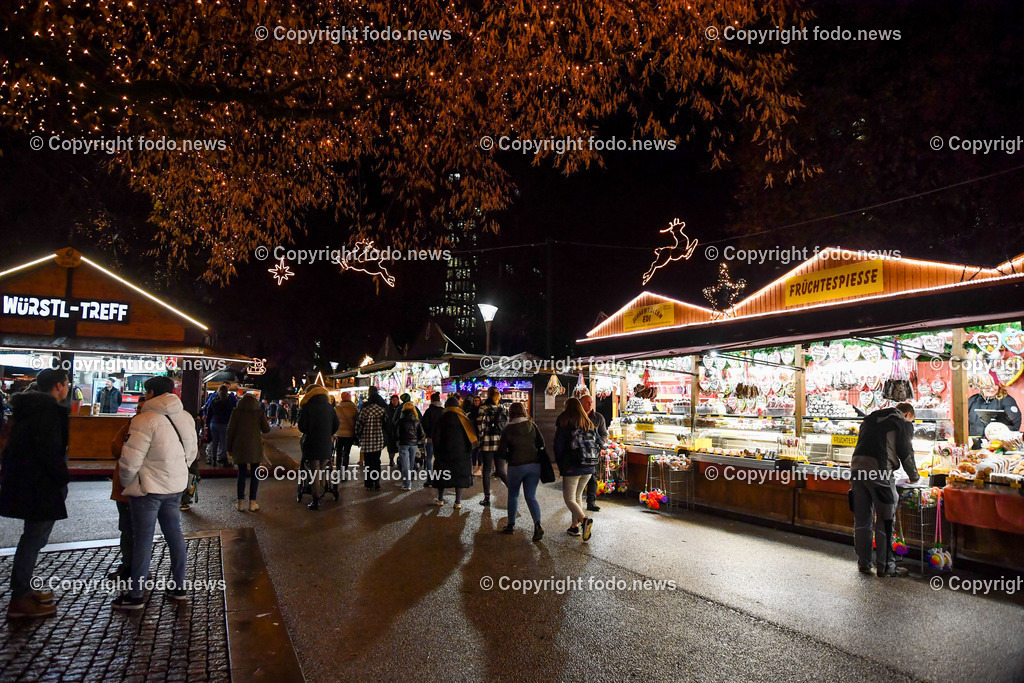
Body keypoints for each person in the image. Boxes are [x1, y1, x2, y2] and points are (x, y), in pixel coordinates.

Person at [113, 376, 198, 610]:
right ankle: (179, 586)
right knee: (174, 534)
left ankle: (136, 594)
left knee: (142, 539)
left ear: (150, 393)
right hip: (174, 488)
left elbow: (129, 461)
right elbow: (191, 454)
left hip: (148, 489)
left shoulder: (144, 420)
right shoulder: (186, 417)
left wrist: (130, 483)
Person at [1, 368, 70, 619]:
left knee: (32, 537)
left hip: (24, 479)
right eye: (67, 383)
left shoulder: (25, 408)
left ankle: (24, 589)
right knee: (33, 539)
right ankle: (19, 598)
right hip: (42, 483)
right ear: (60, 386)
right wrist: (62, 478)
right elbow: (50, 450)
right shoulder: (49, 411)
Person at [850, 402, 919, 578]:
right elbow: (906, 452)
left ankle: (864, 563)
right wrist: (914, 477)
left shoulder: (870, 418)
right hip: (879, 472)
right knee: (886, 520)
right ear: (908, 414)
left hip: (857, 470)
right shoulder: (902, 422)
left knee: (862, 520)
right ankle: (886, 566)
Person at [495, 402, 546, 541]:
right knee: (531, 496)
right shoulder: (532, 425)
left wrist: (507, 458)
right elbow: (541, 444)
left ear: (510, 413)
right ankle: (537, 525)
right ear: (524, 411)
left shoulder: (507, 429)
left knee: (513, 495)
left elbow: (502, 451)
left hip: (516, 466)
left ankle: (511, 525)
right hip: (534, 466)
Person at [109, 395, 146, 580]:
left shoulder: (139, 428)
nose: (138, 412)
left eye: (142, 408)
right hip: (124, 488)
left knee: (137, 531)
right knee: (127, 529)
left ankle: (136, 568)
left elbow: (118, 449)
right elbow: (115, 448)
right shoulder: (129, 426)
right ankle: (129, 564)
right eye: (137, 408)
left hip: (140, 487)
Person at [554, 397, 599, 541]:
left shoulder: (565, 421)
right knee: (578, 496)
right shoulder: (588, 422)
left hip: (572, 465)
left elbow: (558, 446)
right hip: (589, 465)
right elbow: (598, 442)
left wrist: (560, 464)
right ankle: (575, 526)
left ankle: (584, 520)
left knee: (568, 498)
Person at [297, 386, 340, 511]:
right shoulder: (330, 408)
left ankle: (316, 498)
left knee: (314, 470)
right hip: (326, 443)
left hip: (311, 443)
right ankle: (322, 489)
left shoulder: (307, 407)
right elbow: (336, 425)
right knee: (322, 467)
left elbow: (302, 427)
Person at [228, 393, 271, 511]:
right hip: (254, 447)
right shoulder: (259, 412)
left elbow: (230, 430)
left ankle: (240, 502)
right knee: (254, 474)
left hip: (239, 446)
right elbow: (266, 429)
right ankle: (253, 502)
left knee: (241, 474)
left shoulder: (236, 412)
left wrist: (229, 448)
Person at [431, 395, 476, 509]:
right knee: (459, 477)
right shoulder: (463, 418)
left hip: (444, 453)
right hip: (461, 454)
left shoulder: (442, 418)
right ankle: (458, 502)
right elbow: (471, 437)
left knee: (442, 476)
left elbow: (436, 436)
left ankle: (440, 499)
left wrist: (436, 451)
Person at [475, 386, 509, 507]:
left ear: (488, 395)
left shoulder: (483, 408)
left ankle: (487, 498)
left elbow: (480, 427)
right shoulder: (503, 408)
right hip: (500, 443)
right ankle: (513, 489)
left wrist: (479, 441)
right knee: (501, 470)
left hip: (487, 444)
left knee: (487, 470)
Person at [967, 372, 1021, 447]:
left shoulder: (1007, 401)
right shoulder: (972, 401)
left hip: (998, 447)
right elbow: (962, 423)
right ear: (980, 386)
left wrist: (996, 435)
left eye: (995, 385)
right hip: (973, 447)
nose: (992, 389)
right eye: (988, 386)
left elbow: (1014, 425)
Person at [580, 394, 608, 512]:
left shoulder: (598, 417)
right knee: (578, 477)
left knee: (592, 477)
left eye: (591, 402)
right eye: (587, 402)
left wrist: (599, 444)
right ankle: (576, 500)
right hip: (579, 451)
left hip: (592, 452)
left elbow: (604, 433)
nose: (590, 404)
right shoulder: (577, 417)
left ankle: (591, 502)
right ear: (581, 403)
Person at [356, 387, 388, 490]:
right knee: (376, 461)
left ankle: (368, 484)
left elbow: (359, 424)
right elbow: (386, 424)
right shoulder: (381, 410)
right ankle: (377, 480)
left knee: (368, 463)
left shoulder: (365, 409)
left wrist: (358, 435)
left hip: (366, 440)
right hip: (378, 440)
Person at [396, 401, 426, 490]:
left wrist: (398, 440)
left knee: (405, 464)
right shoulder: (417, 421)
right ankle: (409, 481)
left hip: (403, 443)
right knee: (411, 463)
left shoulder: (400, 421)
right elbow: (422, 434)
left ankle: (407, 484)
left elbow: (396, 433)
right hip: (414, 444)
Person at [205, 384, 236, 466]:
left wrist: (207, 422)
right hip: (224, 423)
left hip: (213, 423)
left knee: (214, 442)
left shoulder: (214, 400)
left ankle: (213, 460)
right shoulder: (229, 401)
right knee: (223, 443)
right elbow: (232, 412)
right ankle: (224, 460)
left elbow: (209, 412)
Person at [420, 392, 444, 487]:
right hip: (441, 439)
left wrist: (427, 432)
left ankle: (429, 478)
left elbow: (424, 424)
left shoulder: (429, 411)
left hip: (431, 438)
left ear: (432, 400)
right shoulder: (443, 411)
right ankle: (439, 477)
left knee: (429, 458)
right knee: (439, 458)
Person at [334, 391, 358, 469]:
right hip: (350, 434)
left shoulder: (337, 408)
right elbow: (356, 421)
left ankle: (338, 468)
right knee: (346, 453)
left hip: (339, 433)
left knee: (339, 452)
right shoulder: (354, 408)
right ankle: (344, 470)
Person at [384, 394, 401, 468]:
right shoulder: (387, 409)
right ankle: (391, 460)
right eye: (393, 400)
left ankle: (400, 460)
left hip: (398, 431)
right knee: (391, 447)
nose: (395, 401)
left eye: (396, 400)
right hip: (389, 431)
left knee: (399, 446)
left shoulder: (400, 409)